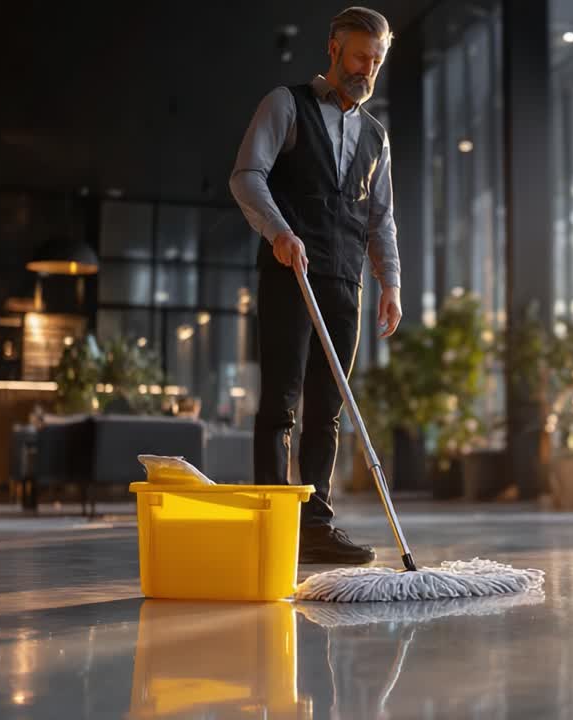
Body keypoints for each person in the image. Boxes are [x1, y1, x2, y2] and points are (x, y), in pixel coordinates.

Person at [229, 6, 402, 564]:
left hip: (343, 282)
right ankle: (270, 522)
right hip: (289, 273)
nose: (366, 70)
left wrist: (390, 282)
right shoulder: (287, 105)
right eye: (359, 57)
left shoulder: (376, 137)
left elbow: (380, 219)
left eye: (376, 61)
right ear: (333, 48)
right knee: (281, 400)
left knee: (327, 406)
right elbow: (247, 175)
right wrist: (279, 232)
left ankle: (314, 528)